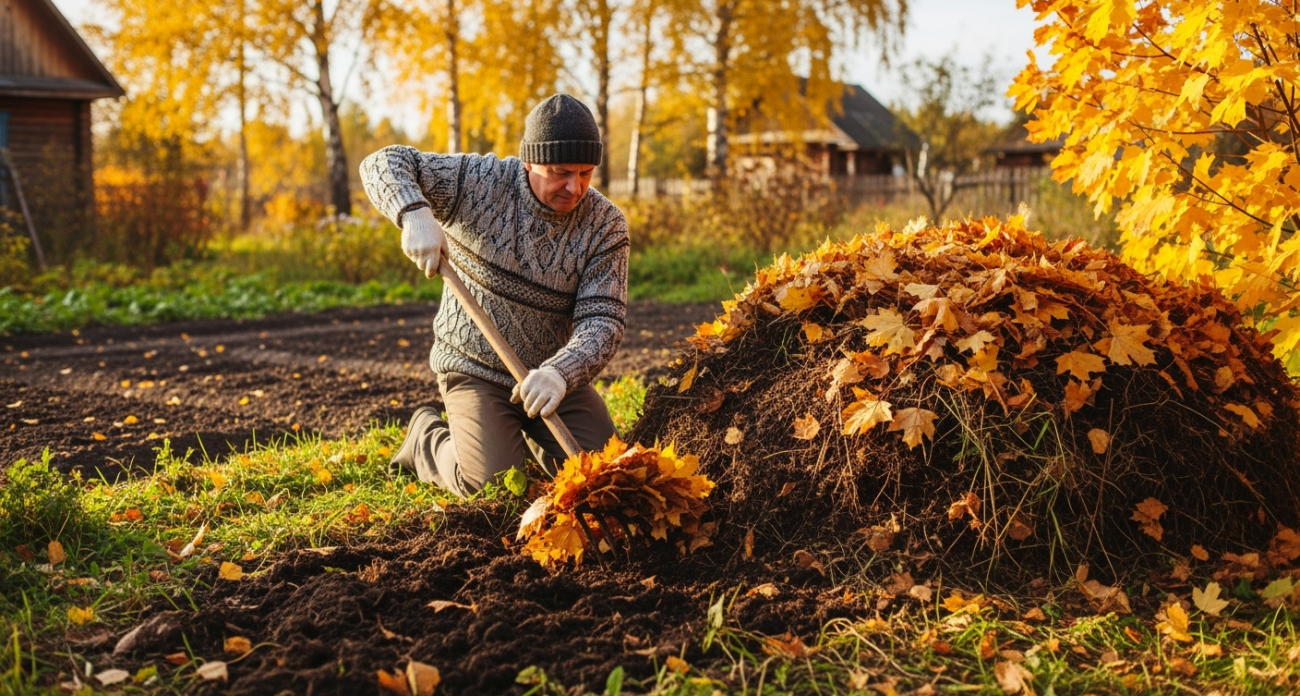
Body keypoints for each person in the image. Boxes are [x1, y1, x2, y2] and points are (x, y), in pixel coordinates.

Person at [359, 94, 628, 497]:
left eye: (586, 173)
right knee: (493, 488)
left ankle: (532, 440)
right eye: (560, 172)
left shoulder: (605, 226)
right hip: (475, 369)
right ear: (529, 161)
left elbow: (603, 321)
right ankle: (426, 440)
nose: (575, 187)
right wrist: (413, 212)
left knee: (608, 475)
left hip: (548, 377)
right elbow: (382, 162)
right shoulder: (480, 182)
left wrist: (561, 372)